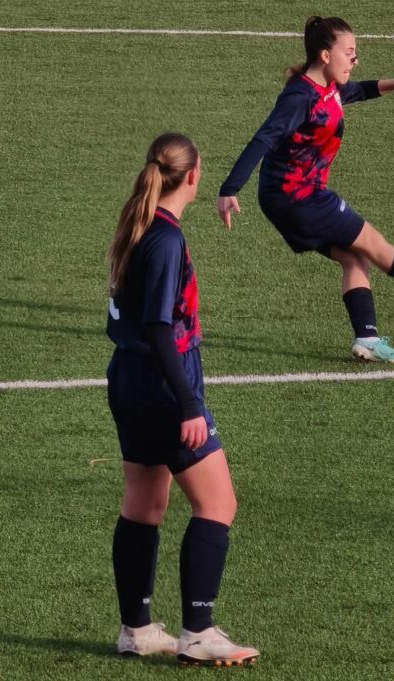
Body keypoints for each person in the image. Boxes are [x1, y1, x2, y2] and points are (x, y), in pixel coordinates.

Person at [217, 15, 394, 365]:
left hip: (289, 197)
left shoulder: (328, 88)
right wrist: (229, 188)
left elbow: (359, 90)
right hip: (299, 197)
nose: (355, 58)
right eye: (349, 51)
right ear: (324, 55)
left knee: (355, 258)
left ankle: (367, 338)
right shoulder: (300, 96)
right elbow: (265, 137)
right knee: (378, 248)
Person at [105, 132, 259, 667]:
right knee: (218, 503)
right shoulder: (167, 239)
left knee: (145, 505)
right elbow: (158, 326)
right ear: (192, 176)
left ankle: (137, 628)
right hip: (164, 384)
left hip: (127, 381)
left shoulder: (137, 225)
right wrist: (189, 403)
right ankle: (198, 630)